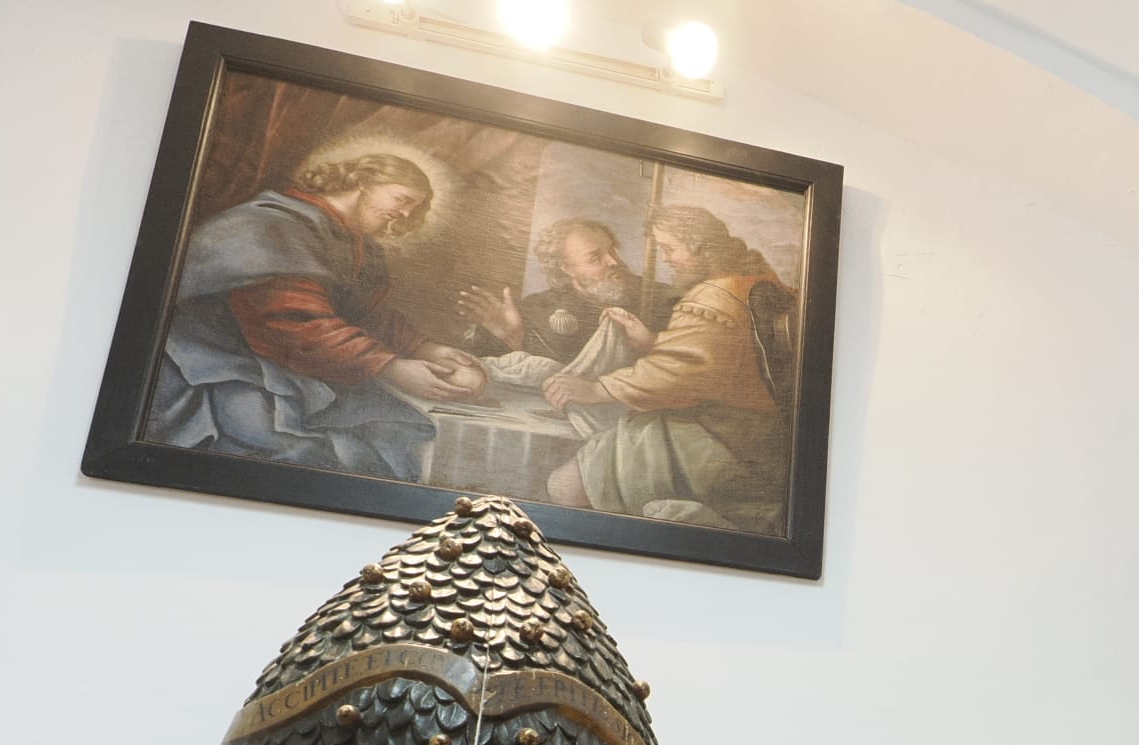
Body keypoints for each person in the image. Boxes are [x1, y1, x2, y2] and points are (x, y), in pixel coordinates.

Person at [146, 152, 483, 479]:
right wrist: (390, 367)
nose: (405, 213)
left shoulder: (349, 241)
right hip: (210, 365)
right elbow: (294, 324)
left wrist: (423, 348)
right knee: (303, 453)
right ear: (364, 182)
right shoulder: (271, 225)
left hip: (288, 363)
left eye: (413, 208)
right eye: (402, 199)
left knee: (390, 438)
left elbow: (360, 315)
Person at [541, 205, 791, 533]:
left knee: (565, 486)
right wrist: (652, 342)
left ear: (700, 248)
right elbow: (715, 359)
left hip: (726, 436)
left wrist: (597, 389)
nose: (667, 260)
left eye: (670, 249)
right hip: (747, 428)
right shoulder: (748, 282)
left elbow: (678, 373)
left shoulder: (714, 296)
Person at [455, 217, 673, 362]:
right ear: (566, 267)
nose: (613, 261)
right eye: (595, 258)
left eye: (612, 250)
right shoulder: (538, 309)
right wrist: (514, 339)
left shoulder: (663, 299)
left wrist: (652, 343)